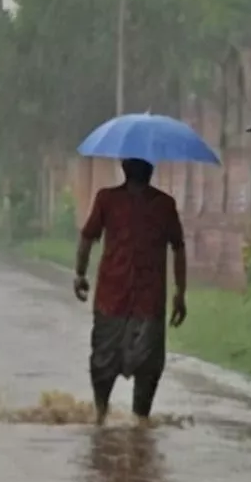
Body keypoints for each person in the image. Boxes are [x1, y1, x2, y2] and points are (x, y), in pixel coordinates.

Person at [73, 158, 186, 428]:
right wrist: (180, 293)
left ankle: (100, 415)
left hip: (115, 297)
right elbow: (178, 248)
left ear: (124, 170)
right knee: (147, 367)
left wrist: (80, 274)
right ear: (151, 172)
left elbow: (87, 238)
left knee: (103, 361)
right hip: (144, 300)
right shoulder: (163, 204)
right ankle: (139, 423)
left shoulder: (108, 199)